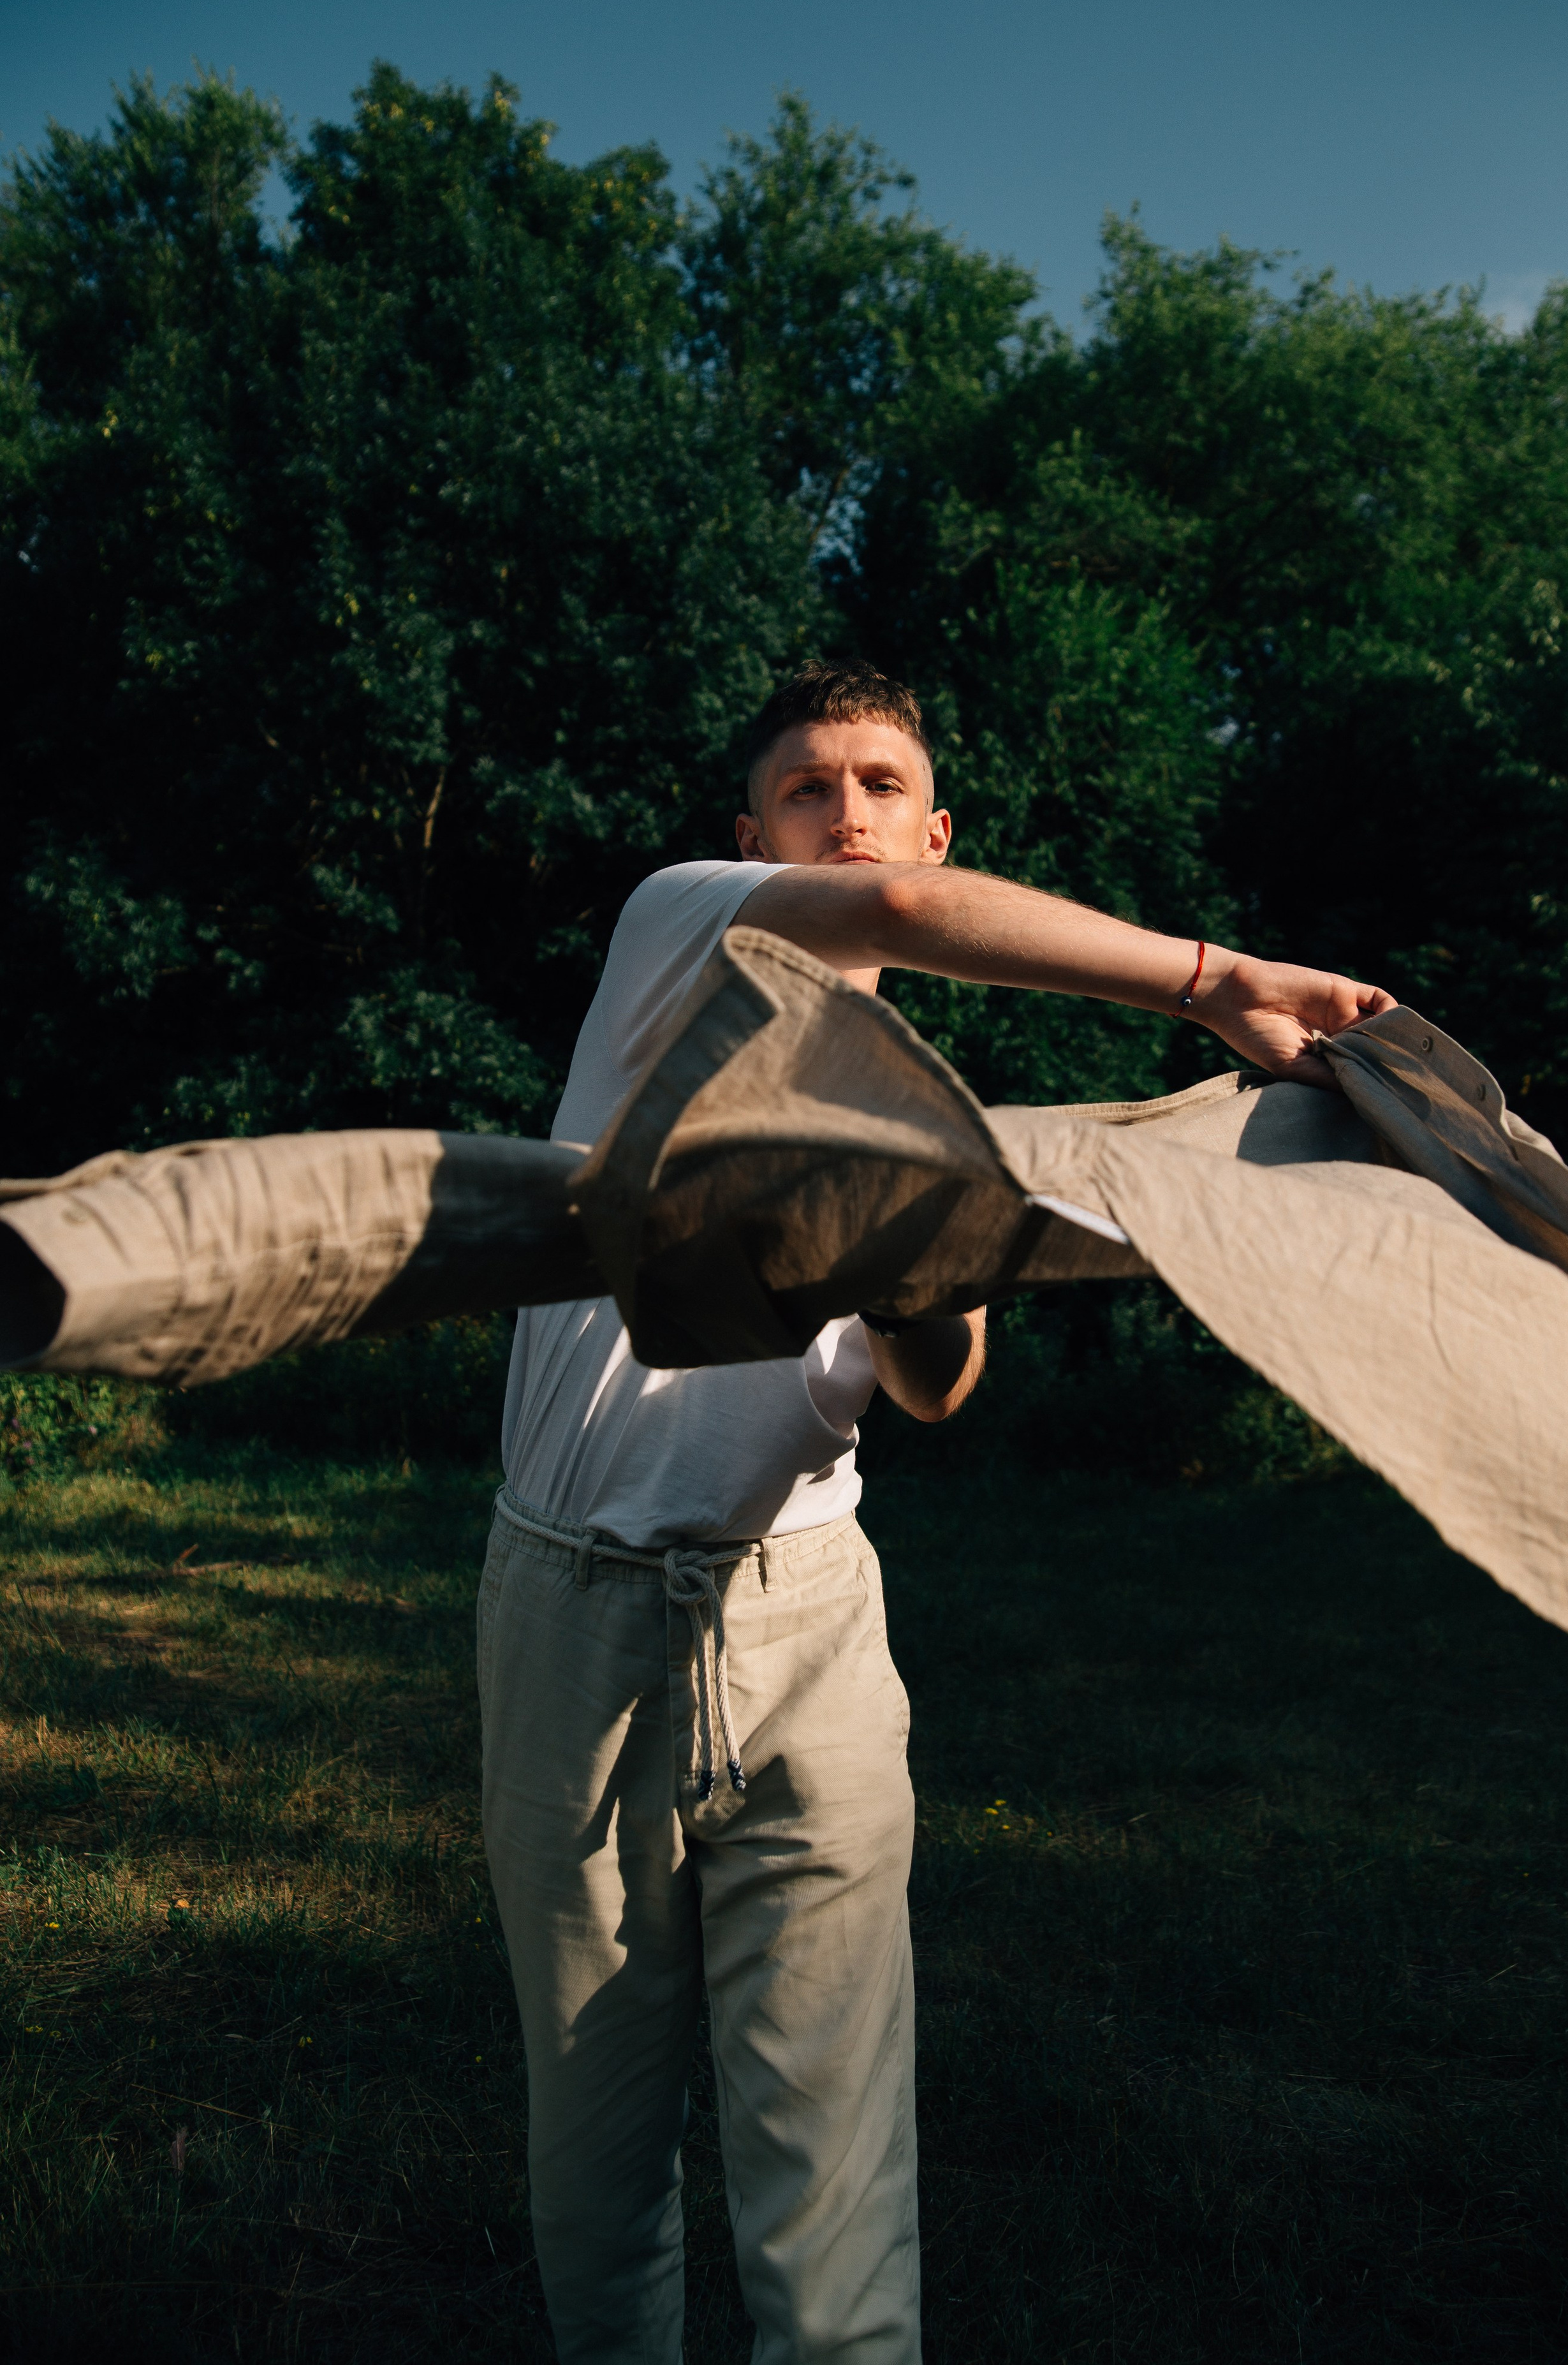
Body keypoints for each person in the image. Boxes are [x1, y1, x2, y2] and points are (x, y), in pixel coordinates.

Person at [481, 658, 1395, 2363]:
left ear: (939, 821)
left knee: (832, 2179)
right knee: (597, 2150)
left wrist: (905, 1275)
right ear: (750, 833)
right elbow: (896, 916)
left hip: (810, 1621)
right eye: (809, 786)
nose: (848, 813)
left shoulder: (930, 1114)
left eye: (882, 784)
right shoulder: (676, 937)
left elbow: (935, 1387)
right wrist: (1219, 981)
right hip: (577, 1614)